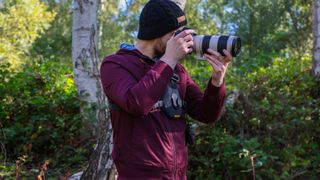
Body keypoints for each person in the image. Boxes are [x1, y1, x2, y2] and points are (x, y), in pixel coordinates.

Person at [100, 0, 232, 179]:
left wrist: (217, 80)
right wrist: (169, 59)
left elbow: (207, 114)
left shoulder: (176, 71)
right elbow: (136, 103)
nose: (182, 40)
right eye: (175, 34)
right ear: (157, 32)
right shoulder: (115, 65)